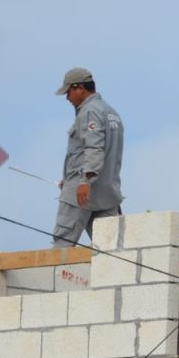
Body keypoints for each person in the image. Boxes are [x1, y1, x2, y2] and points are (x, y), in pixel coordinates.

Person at [52, 67, 124, 246]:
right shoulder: (111, 112)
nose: (67, 98)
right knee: (112, 252)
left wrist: (84, 181)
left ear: (79, 88)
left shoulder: (89, 111)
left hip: (82, 193)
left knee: (63, 245)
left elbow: (94, 148)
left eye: (68, 92)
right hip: (107, 194)